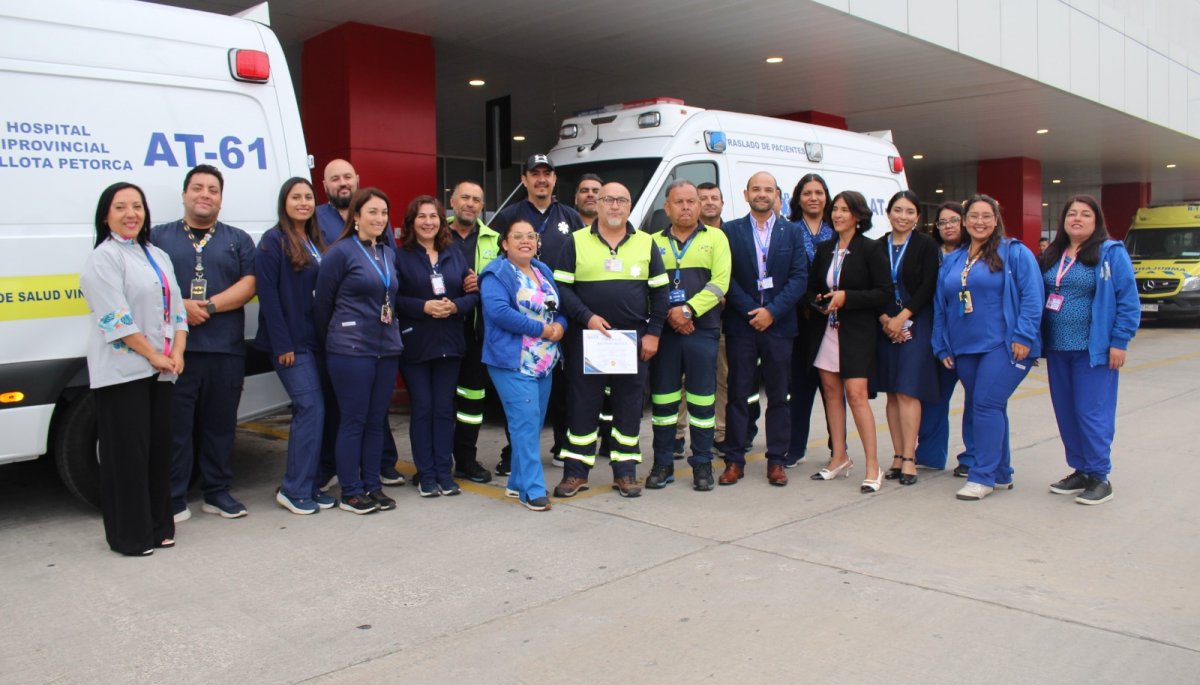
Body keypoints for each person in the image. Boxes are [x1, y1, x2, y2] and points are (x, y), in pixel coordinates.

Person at [80, 182, 188, 556]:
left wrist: (178, 350)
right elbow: (115, 320)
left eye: (137, 206)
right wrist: (155, 355)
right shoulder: (104, 258)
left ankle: (159, 527)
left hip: (162, 370)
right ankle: (130, 536)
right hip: (123, 372)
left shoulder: (157, 254)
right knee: (127, 455)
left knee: (158, 451)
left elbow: (176, 310)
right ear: (106, 215)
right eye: (121, 207)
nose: (131, 214)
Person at [151, 164, 256, 521]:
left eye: (212, 189)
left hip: (225, 350)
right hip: (176, 353)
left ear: (221, 199)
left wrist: (208, 307)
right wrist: (181, 307)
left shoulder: (237, 239)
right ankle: (174, 497)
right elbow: (148, 283)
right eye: (197, 188)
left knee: (220, 426)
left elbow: (249, 285)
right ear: (184, 194)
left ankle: (217, 492)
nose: (204, 195)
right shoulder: (158, 237)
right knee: (175, 429)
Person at [553, 182, 668, 498]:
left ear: (630, 206)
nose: (615, 206)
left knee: (629, 408)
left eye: (622, 200)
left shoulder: (646, 244)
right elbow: (562, 289)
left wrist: (654, 334)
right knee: (582, 406)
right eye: (608, 200)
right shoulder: (575, 242)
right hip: (586, 339)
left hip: (632, 341)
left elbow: (661, 293)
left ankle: (626, 473)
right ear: (597, 204)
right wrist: (587, 316)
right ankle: (575, 473)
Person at [932, 194, 1043, 502]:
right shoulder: (955, 259)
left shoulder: (1015, 253)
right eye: (973, 217)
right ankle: (1001, 472)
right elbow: (940, 304)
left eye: (986, 216)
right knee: (987, 406)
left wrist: (1023, 335)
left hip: (1005, 345)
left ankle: (982, 476)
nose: (979, 222)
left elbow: (1033, 296)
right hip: (965, 347)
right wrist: (942, 345)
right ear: (964, 222)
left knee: (986, 404)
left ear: (996, 220)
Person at [1039, 195, 1139, 505]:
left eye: (1085, 214)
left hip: (1093, 350)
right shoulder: (1053, 255)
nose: (1077, 218)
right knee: (1067, 411)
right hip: (1058, 349)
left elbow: (1128, 300)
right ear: (1063, 220)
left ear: (1096, 222)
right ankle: (1080, 469)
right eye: (1072, 214)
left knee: (1091, 412)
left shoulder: (1110, 254)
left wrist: (1119, 342)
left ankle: (1100, 476)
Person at [314, 158, 405, 489]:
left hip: (385, 347)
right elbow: (322, 304)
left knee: (375, 423)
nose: (379, 218)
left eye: (383, 212)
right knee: (353, 422)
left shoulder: (387, 253)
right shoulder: (340, 252)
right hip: (350, 350)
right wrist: (338, 337)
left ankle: (372, 486)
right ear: (356, 216)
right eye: (372, 212)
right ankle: (352, 491)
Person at [490, 155, 585, 468]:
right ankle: (514, 451)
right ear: (525, 179)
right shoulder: (509, 215)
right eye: (535, 174)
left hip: (561, 316)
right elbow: (496, 263)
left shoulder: (569, 216)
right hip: (524, 325)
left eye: (547, 173)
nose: (541, 179)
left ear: (555, 179)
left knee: (563, 383)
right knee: (520, 394)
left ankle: (562, 444)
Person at [719, 172, 807, 487]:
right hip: (742, 326)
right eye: (756, 188)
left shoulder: (792, 232)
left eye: (767, 189)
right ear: (745, 194)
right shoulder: (730, 231)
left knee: (780, 396)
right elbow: (725, 277)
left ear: (776, 194)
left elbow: (799, 278)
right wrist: (749, 311)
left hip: (779, 326)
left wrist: (771, 311)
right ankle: (734, 460)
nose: (761, 194)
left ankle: (777, 461)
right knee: (738, 394)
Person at [254, 177, 336, 515]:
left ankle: (311, 483)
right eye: (295, 197)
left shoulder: (316, 240)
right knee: (310, 408)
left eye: (307, 197)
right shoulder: (273, 242)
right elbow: (268, 296)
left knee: (321, 411)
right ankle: (294, 488)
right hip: (291, 344)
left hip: (316, 341)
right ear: (284, 203)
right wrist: (282, 342)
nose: (302, 202)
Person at [646, 180, 732, 492]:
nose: (686, 207)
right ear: (666, 208)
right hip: (665, 332)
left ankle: (703, 464)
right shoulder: (651, 242)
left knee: (702, 399)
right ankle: (663, 462)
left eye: (691, 201)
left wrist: (687, 311)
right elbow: (648, 285)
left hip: (702, 330)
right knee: (664, 398)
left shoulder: (717, 238)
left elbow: (720, 283)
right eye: (678, 202)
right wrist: (671, 313)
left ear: (699, 206)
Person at [479, 219, 568, 510]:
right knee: (525, 424)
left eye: (530, 236)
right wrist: (542, 330)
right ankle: (533, 489)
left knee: (531, 424)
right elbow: (499, 312)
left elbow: (559, 309)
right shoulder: (496, 273)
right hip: (512, 362)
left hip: (545, 361)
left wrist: (561, 328)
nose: (525, 240)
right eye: (517, 236)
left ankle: (516, 483)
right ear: (505, 243)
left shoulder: (543, 270)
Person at [805, 191, 891, 493]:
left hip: (857, 333)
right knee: (830, 392)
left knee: (856, 395)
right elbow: (814, 285)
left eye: (845, 210)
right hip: (826, 330)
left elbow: (884, 293)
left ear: (858, 215)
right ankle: (839, 456)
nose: (838, 215)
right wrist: (818, 299)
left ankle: (872, 465)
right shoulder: (825, 248)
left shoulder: (870, 249)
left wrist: (847, 298)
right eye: (835, 210)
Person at [395, 196, 478, 497]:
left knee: (444, 410)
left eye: (434, 216)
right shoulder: (399, 254)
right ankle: (426, 474)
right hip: (416, 343)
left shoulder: (454, 253)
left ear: (442, 221)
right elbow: (394, 298)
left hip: (450, 343)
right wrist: (424, 307)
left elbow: (473, 294)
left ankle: (445, 472)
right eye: (421, 216)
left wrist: (455, 306)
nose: (428, 222)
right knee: (423, 409)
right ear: (411, 221)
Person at [914, 202, 993, 475]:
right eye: (942, 222)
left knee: (976, 400)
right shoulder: (930, 253)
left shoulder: (979, 255)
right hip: (938, 338)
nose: (948, 226)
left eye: (954, 220)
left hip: (972, 340)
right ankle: (930, 455)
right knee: (934, 398)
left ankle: (972, 457)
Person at [876, 191, 941, 486]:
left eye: (910, 212)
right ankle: (898, 456)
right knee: (891, 391)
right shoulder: (877, 246)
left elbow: (929, 285)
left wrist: (903, 318)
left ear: (918, 217)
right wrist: (886, 319)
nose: (903, 216)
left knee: (907, 390)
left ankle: (911, 458)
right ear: (888, 213)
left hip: (917, 322)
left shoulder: (926, 245)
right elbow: (870, 286)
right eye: (898, 210)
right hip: (885, 324)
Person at [446, 180, 504, 484]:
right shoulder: (434, 232)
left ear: (482, 207)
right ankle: (437, 464)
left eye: (476, 199)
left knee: (472, 402)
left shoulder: (494, 241)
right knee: (439, 402)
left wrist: (483, 285)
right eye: (464, 197)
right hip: (440, 330)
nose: (470, 203)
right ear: (453, 201)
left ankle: (467, 461)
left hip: (479, 332)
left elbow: (507, 280)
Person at [786, 173, 836, 469]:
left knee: (833, 389)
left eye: (819, 192)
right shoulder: (790, 230)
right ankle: (795, 448)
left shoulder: (837, 229)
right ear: (798, 198)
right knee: (800, 387)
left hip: (834, 319)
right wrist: (807, 299)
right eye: (807, 193)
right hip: (800, 320)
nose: (813, 198)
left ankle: (837, 448)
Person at [317, 158, 359, 245]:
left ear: (357, 180)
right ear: (325, 186)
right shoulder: (314, 218)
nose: (343, 183)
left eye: (348, 177)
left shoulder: (375, 213)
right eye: (335, 179)